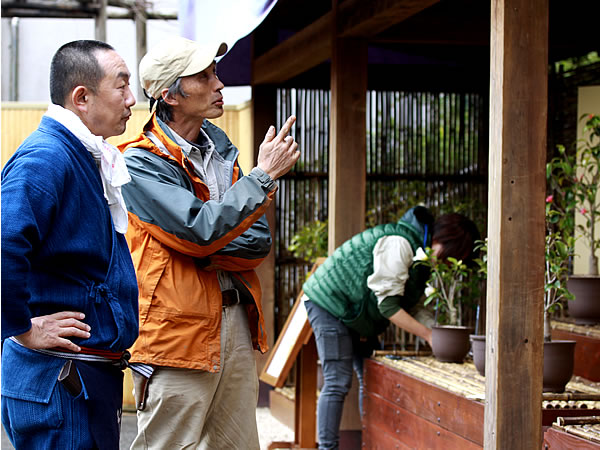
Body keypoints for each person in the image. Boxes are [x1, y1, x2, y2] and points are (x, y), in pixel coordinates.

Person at [118, 36, 300, 449]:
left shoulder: (220, 151)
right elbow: (199, 231)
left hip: (236, 321)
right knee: (171, 444)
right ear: (170, 95)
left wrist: (213, 234)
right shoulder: (138, 162)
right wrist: (260, 180)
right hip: (176, 332)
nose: (219, 84)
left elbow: (255, 242)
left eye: (215, 73)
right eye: (204, 75)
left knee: (237, 445)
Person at [1, 40, 139, 449]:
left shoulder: (83, 154)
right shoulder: (46, 157)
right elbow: (4, 242)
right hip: (60, 381)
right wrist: (22, 328)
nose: (132, 99)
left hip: (84, 378)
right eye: (122, 86)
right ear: (82, 97)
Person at [301, 206, 480, 449]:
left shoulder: (421, 257)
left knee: (371, 376)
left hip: (356, 312)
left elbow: (411, 305)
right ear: (442, 240)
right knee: (337, 380)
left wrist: (437, 331)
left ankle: (371, 443)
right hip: (330, 303)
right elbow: (388, 306)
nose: (447, 263)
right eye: (451, 255)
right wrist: (428, 335)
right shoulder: (400, 243)